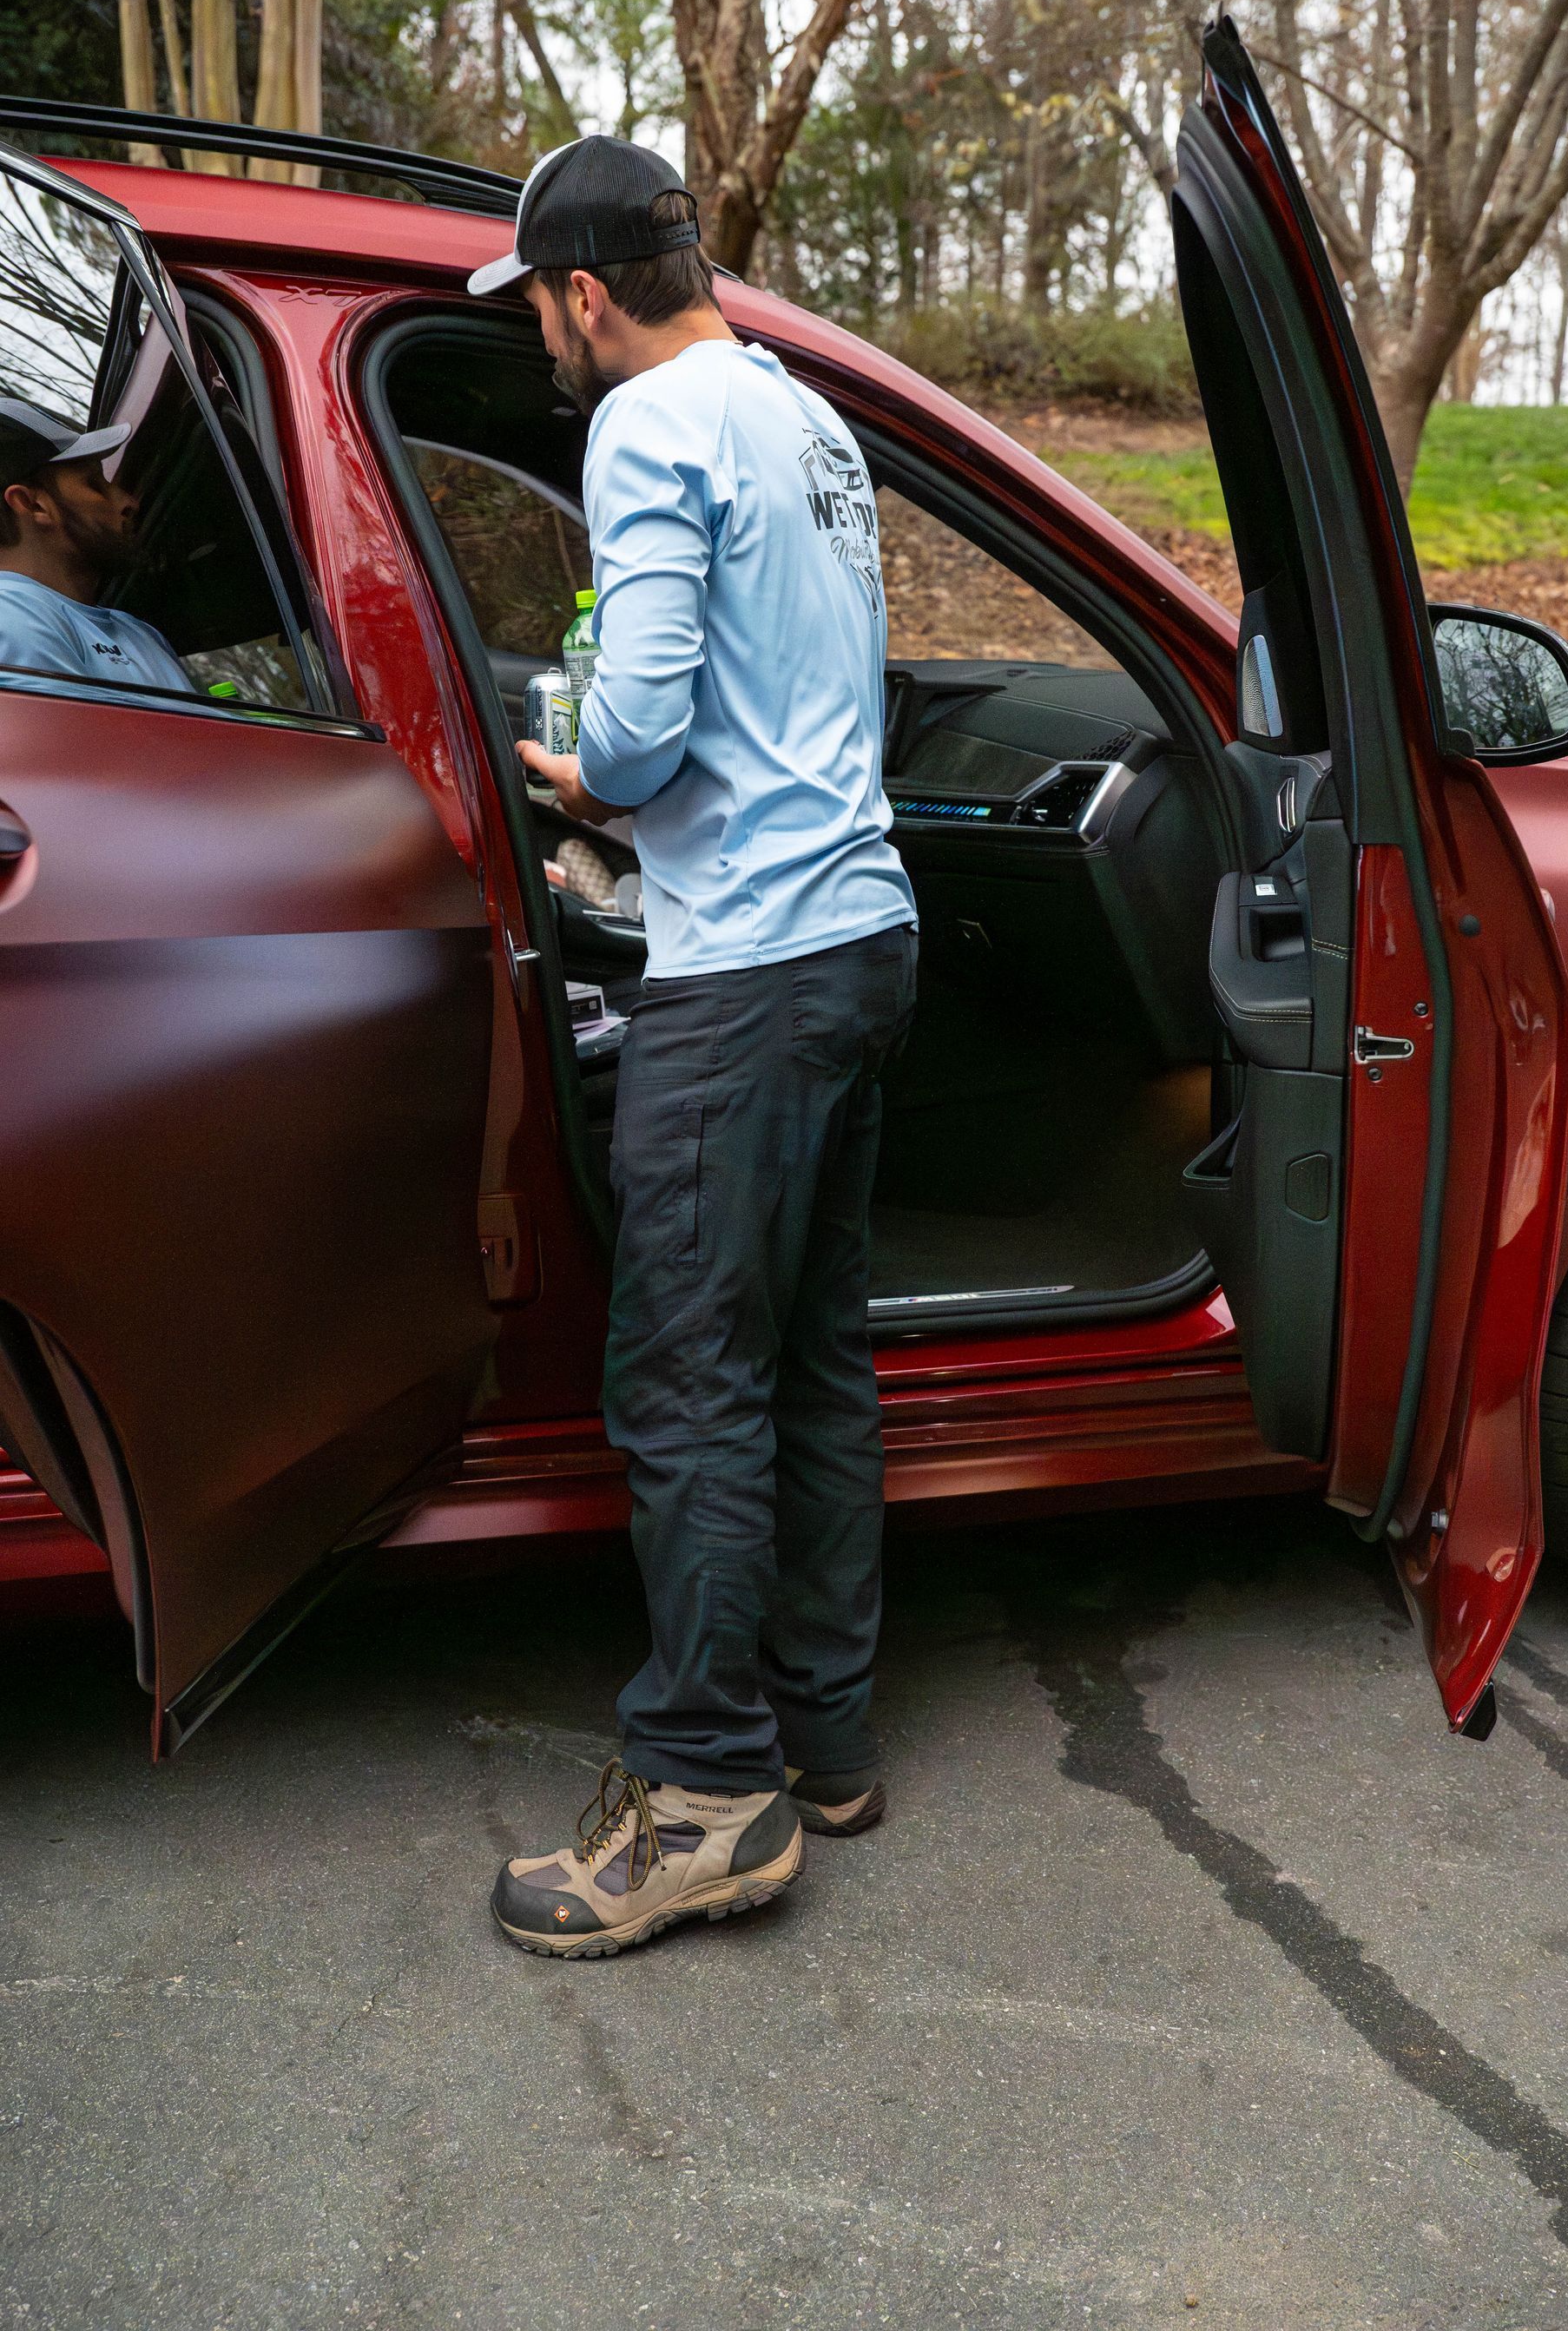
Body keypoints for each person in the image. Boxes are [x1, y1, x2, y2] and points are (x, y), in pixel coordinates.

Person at [474, 135, 918, 1959]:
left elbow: (645, 728)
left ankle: (707, 1798)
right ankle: (823, 1739)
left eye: (543, 314)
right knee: (811, 1354)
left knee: (687, 1377)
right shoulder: (806, 419)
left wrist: (582, 777)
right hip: (862, 937)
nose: (546, 349)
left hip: (737, 970)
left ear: (587, 293)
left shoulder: (647, 430)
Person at [0, 398, 190, 691]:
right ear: (33, 504)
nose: (130, 502)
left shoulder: (137, 633)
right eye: (95, 484)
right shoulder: (10, 616)